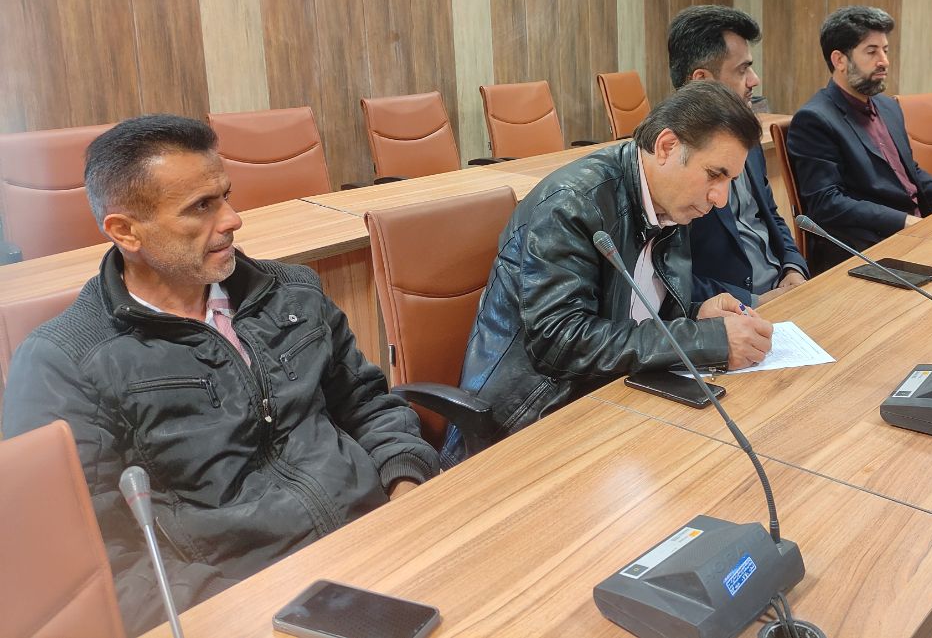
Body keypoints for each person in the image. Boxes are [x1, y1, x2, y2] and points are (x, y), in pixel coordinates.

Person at [2, 115, 439, 637]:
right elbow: (92, 562)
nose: (233, 220)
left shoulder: (291, 292)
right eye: (201, 207)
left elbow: (368, 405)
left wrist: (408, 489)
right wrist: (240, 614)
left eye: (226, 196)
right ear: (125, 231)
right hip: (247, 607)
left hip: (381, 542)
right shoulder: (64, 363)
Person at [444, 81, 774, 462]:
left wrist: (696, 313)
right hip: (530, 423)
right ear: (667, 147)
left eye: (730, 181)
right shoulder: (572, 205)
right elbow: (560, 342)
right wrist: (706, 339)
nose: (721, 199)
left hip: (615, 403)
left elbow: (632, 310)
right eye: (715, 174)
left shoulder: (672, 202)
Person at [787, 6, 932, 273]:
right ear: (839, 60)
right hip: (867, 247)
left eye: (885, 50)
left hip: (915, 231)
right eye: (871, 52)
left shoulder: (887, 106)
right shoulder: (814, 119)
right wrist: (903, 221)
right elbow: (826, 202)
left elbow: (910, 172)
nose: (884, 61)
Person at [667, 5, 808, 305]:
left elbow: (771, 215)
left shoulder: (746, 135)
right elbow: (668, 278)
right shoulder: (670, 159)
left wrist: (794, 267)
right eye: (743, 70)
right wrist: (754, 302)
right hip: (733, 312)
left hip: (786, 292)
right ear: (701, 80)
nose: (754, 80)